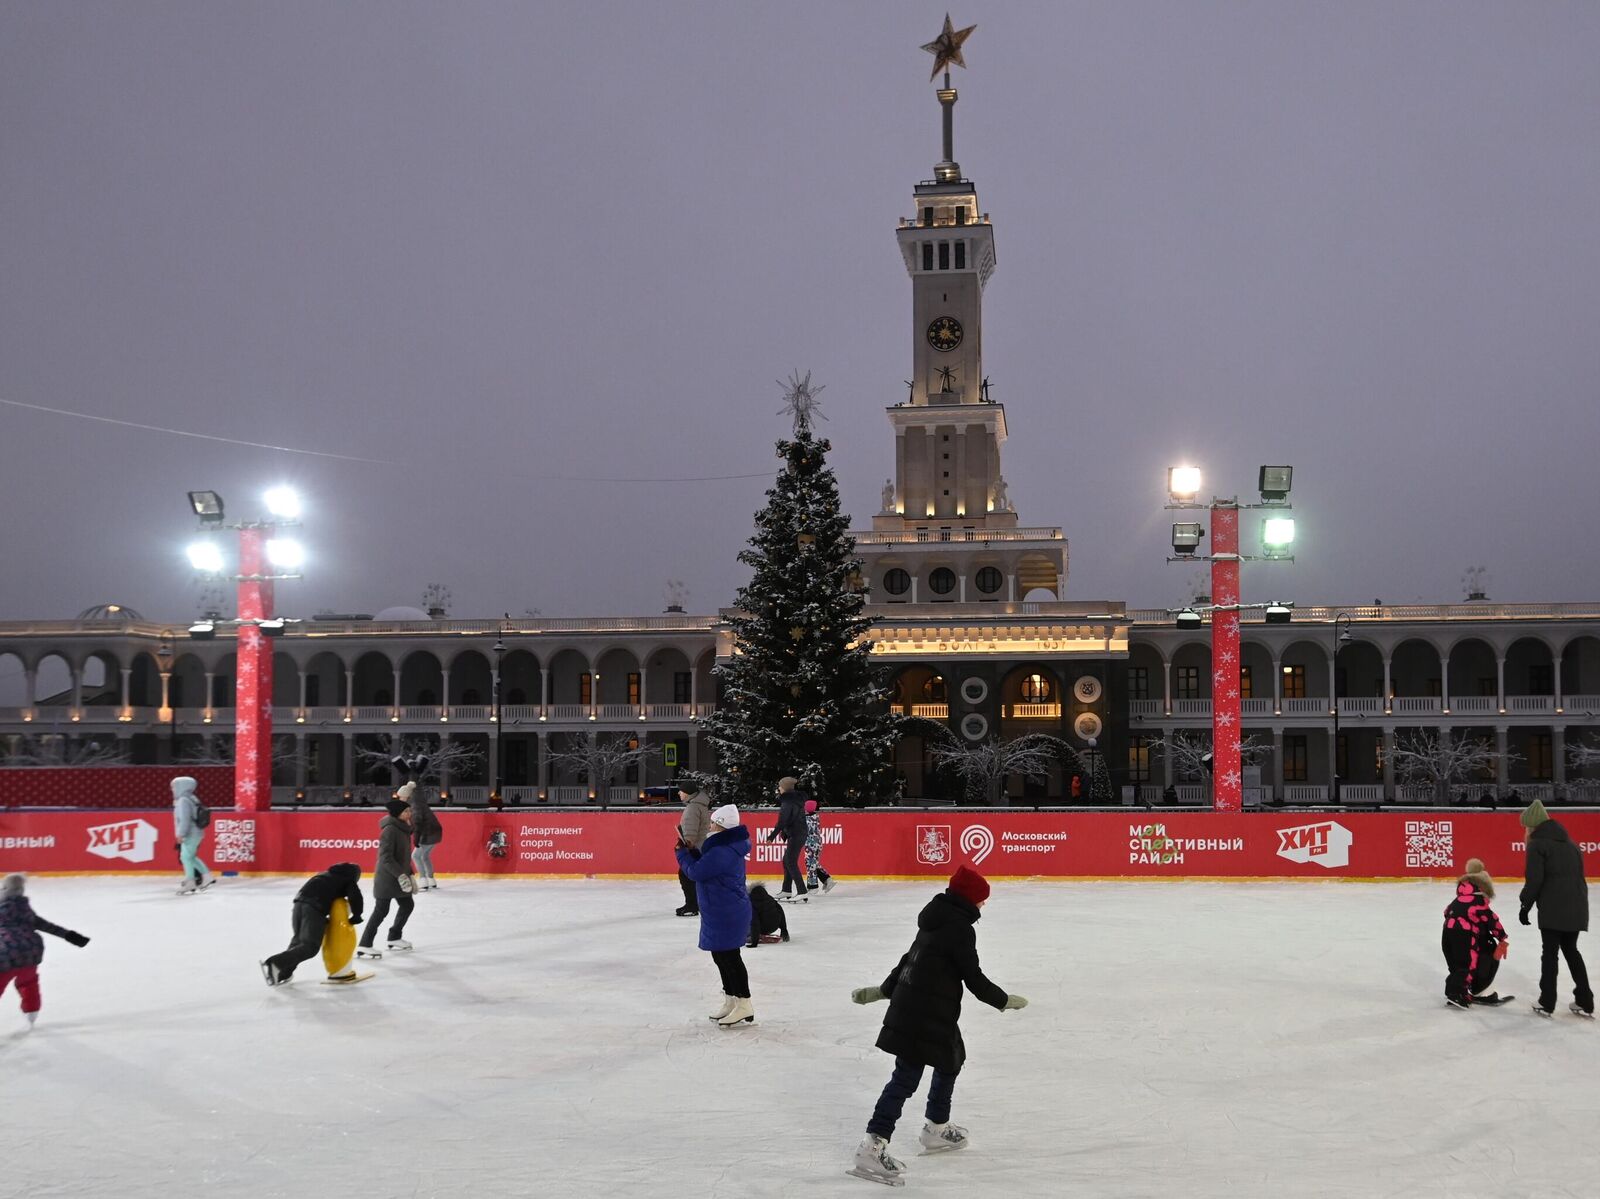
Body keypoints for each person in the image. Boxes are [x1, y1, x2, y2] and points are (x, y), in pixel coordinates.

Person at [847, 864, 1027, 1187]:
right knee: (905, 1078)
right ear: (970, 900)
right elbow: (972, 977)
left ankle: (937, 1127)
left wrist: (882, 991)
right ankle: (873, 1145)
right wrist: (1002, 1000)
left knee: (951, 1059)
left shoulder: (936, 918)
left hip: (925, 1010)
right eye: (982, 900)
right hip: (922, 1014)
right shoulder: (959, 928)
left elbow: (908, 958)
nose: (983, 906)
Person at [676, 803, 755, 1027]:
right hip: (721, 909)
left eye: (712, 822)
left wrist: (682, 854)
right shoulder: (723, 846)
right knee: (721, 956)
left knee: (730, 957)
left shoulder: (723, 849)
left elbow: (697, 872)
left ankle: (744, 1003)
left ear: (720, 825)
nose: (709, 825)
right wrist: (692, 852)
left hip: (726, 910)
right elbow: (705, 866)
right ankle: (732, 999)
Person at [1519, 800, 1593, 1018]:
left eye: (1525, 827)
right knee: (1572, 950)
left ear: (1532, 826)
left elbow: (1535, 880)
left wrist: (1525, 905)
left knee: (1549, 953)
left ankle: (1547, 1001)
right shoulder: (1570, 843)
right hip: (1577, 905)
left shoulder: (1537, 844)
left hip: (1553, 907)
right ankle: (1585, 1000)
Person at [0, 874, 90, 1026]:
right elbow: (48, 926)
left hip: (6, 954)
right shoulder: (26, 910)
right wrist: (71, 936)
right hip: (31, 952)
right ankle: (31, 1012)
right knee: (28, 982)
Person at [260, 863, 365, 986]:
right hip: (314, 908)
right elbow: (355, 897)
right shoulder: (347, 879)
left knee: (298, 942)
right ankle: (275, 963)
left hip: (298, 904)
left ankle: (284, 973)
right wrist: (357, 916)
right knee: (310, 947)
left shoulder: (324, 875)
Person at [1441, 857, 1510, 1008]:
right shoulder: (1479, 903)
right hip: (1463, 935)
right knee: (1466, 964)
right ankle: (1459, 995)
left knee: (1456, 965)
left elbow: (1446, 912)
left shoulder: (1457, 900)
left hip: (1447, 932)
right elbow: (1492, 920)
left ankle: (1453, 992)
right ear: (1483, 887)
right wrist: (1502, 937)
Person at [358, 799, 418, 960]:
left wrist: (410, 874)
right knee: (381, 910)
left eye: (409, 811)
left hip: (399, 876)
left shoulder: (403, 829)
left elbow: (403, 857)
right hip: (387, 877)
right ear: (397, 813)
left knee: (407, 905)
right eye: (406, 811)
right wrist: (401, 875)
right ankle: (365, 943)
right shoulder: (390, 830)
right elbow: (385, 857)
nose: (409, 813)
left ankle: (394, 936)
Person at [765, 776, 810, 902]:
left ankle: (802, 891)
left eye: (780, 786)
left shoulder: (788, 801)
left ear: (785, 788)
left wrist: (771, 837)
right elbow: (790, 819)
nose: (779, 788)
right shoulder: (795, 800)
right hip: (798, 833)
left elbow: (783, 821)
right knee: (787, 860)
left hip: (797, 834)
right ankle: (786, 890)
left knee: (790, 861)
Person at [170, 775, 215, 895]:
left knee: (186, 857)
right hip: (196, 832)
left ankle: (191, 881)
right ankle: (206, 877)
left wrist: (180, 834)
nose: (172, 790)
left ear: (181, 787)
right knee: (189, 857)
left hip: (190, 833)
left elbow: (184, 819)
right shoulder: (192, 798)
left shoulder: (183, 800)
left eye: (174, 787)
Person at [675, 780, 714, 917]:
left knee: (686, 875)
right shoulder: (699, 805)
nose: (679, 793)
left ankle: (692, 905)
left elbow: (690, 830)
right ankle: (695, 903)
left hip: (694, 848)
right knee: (690, 875)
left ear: (687, 793)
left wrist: (685, 845)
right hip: (701, 846)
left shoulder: (693, 808)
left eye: (681, 790)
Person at [406, 781, 444, 891]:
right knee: (425, 856)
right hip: (435, 834)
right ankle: (431, 880)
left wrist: (416, 838)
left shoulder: (415, 805)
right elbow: (419, 821)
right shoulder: (421, 803)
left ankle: (423, 881)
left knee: (415, 856)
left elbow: (417, 821)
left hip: (428, 835)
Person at [803, 797, 835, 895]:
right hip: (816, 843)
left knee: (810, 865)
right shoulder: (815, 817)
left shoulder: (808, 819)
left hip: (811, 844)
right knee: (814, 864)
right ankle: (827, 880)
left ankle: (813, 887)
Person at [746, 883, 790, 948]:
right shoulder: (769, 898)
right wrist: (784, 929)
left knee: (743, 932)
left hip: (764, 927)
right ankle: (760, 933)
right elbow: (780, 910)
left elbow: (755, 922)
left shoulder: (752, 903)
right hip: (774, 925)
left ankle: (754, 936)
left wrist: (754, 943)